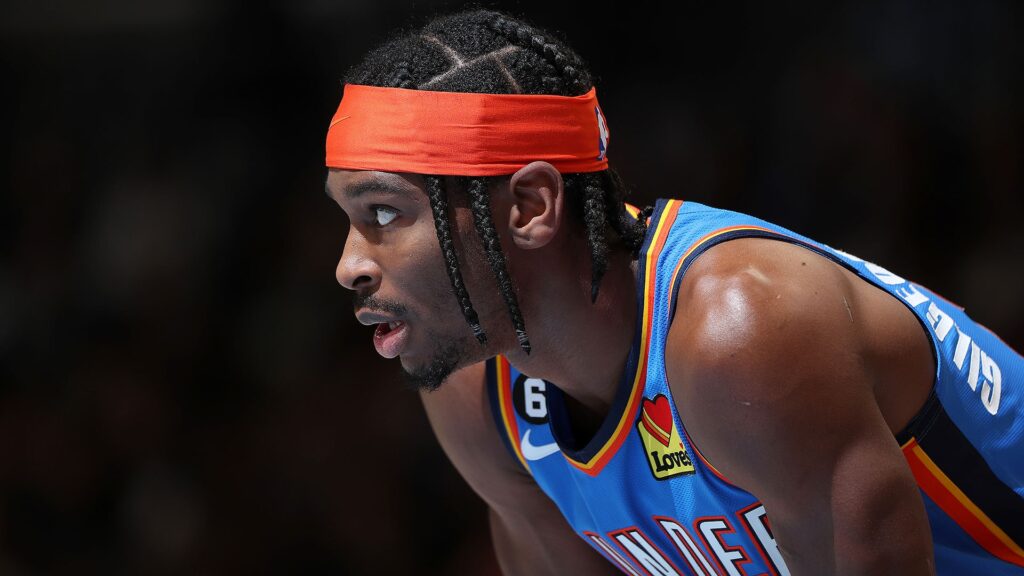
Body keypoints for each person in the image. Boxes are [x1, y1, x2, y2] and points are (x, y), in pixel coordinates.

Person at [323, 9, 1024, 575]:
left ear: (531, 207)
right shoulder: (479, 399)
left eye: (383, 213)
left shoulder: (742, 331)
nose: (349, 266)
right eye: (348, 221)